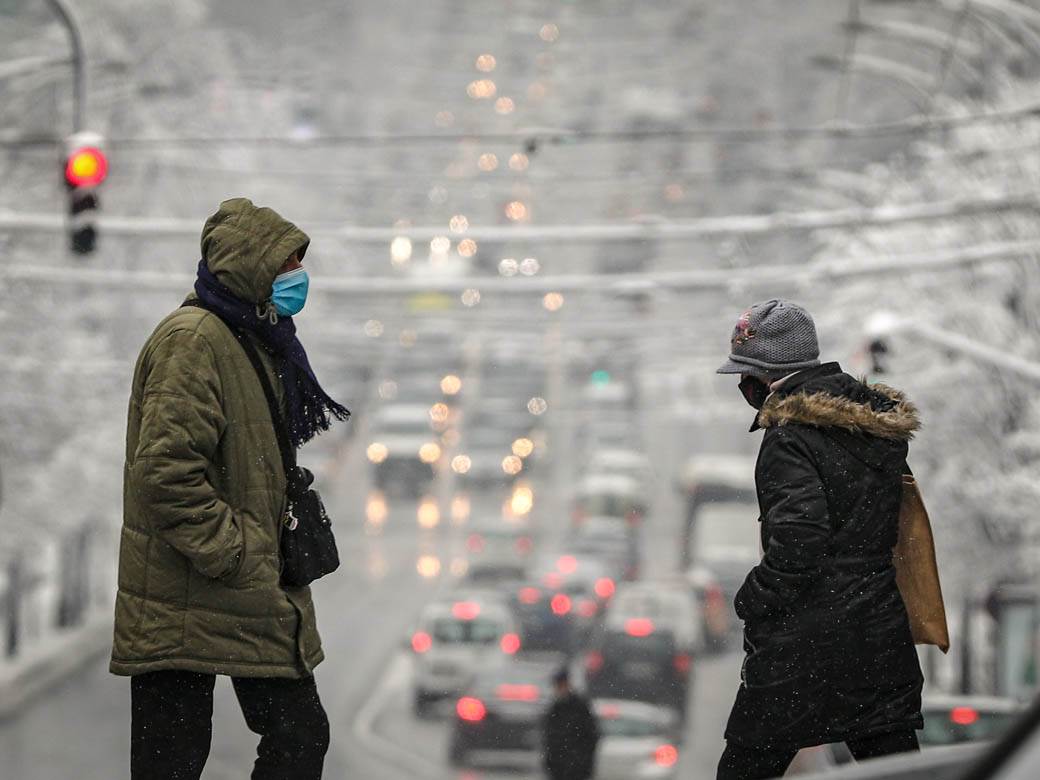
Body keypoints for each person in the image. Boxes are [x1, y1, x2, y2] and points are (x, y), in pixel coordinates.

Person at [110, 198, 350, 780]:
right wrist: (236, 550)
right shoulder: (194, 341)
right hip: (189, 594)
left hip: (238, 593)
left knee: (298, 737)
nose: (298, 277)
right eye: (287, 263)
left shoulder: (254, 338)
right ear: (251, 267)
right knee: (175, 760)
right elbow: (166, 475)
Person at [715, 299, 924, 780]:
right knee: (896, 767)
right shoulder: (873, 426)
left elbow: (799, 540)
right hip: (876, 635)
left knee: (746, 766)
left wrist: (754, 598)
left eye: (746, 374)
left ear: (768, 373)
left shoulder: (791, 435)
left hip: (804, 646)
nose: (743, 387)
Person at [542, 667, 600, 780]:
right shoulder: (555, 708)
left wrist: (582, 761)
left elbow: (591, 735)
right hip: (559, 767)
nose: (559, 689)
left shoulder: (579, 707)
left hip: (577, 767)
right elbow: (549, 737)